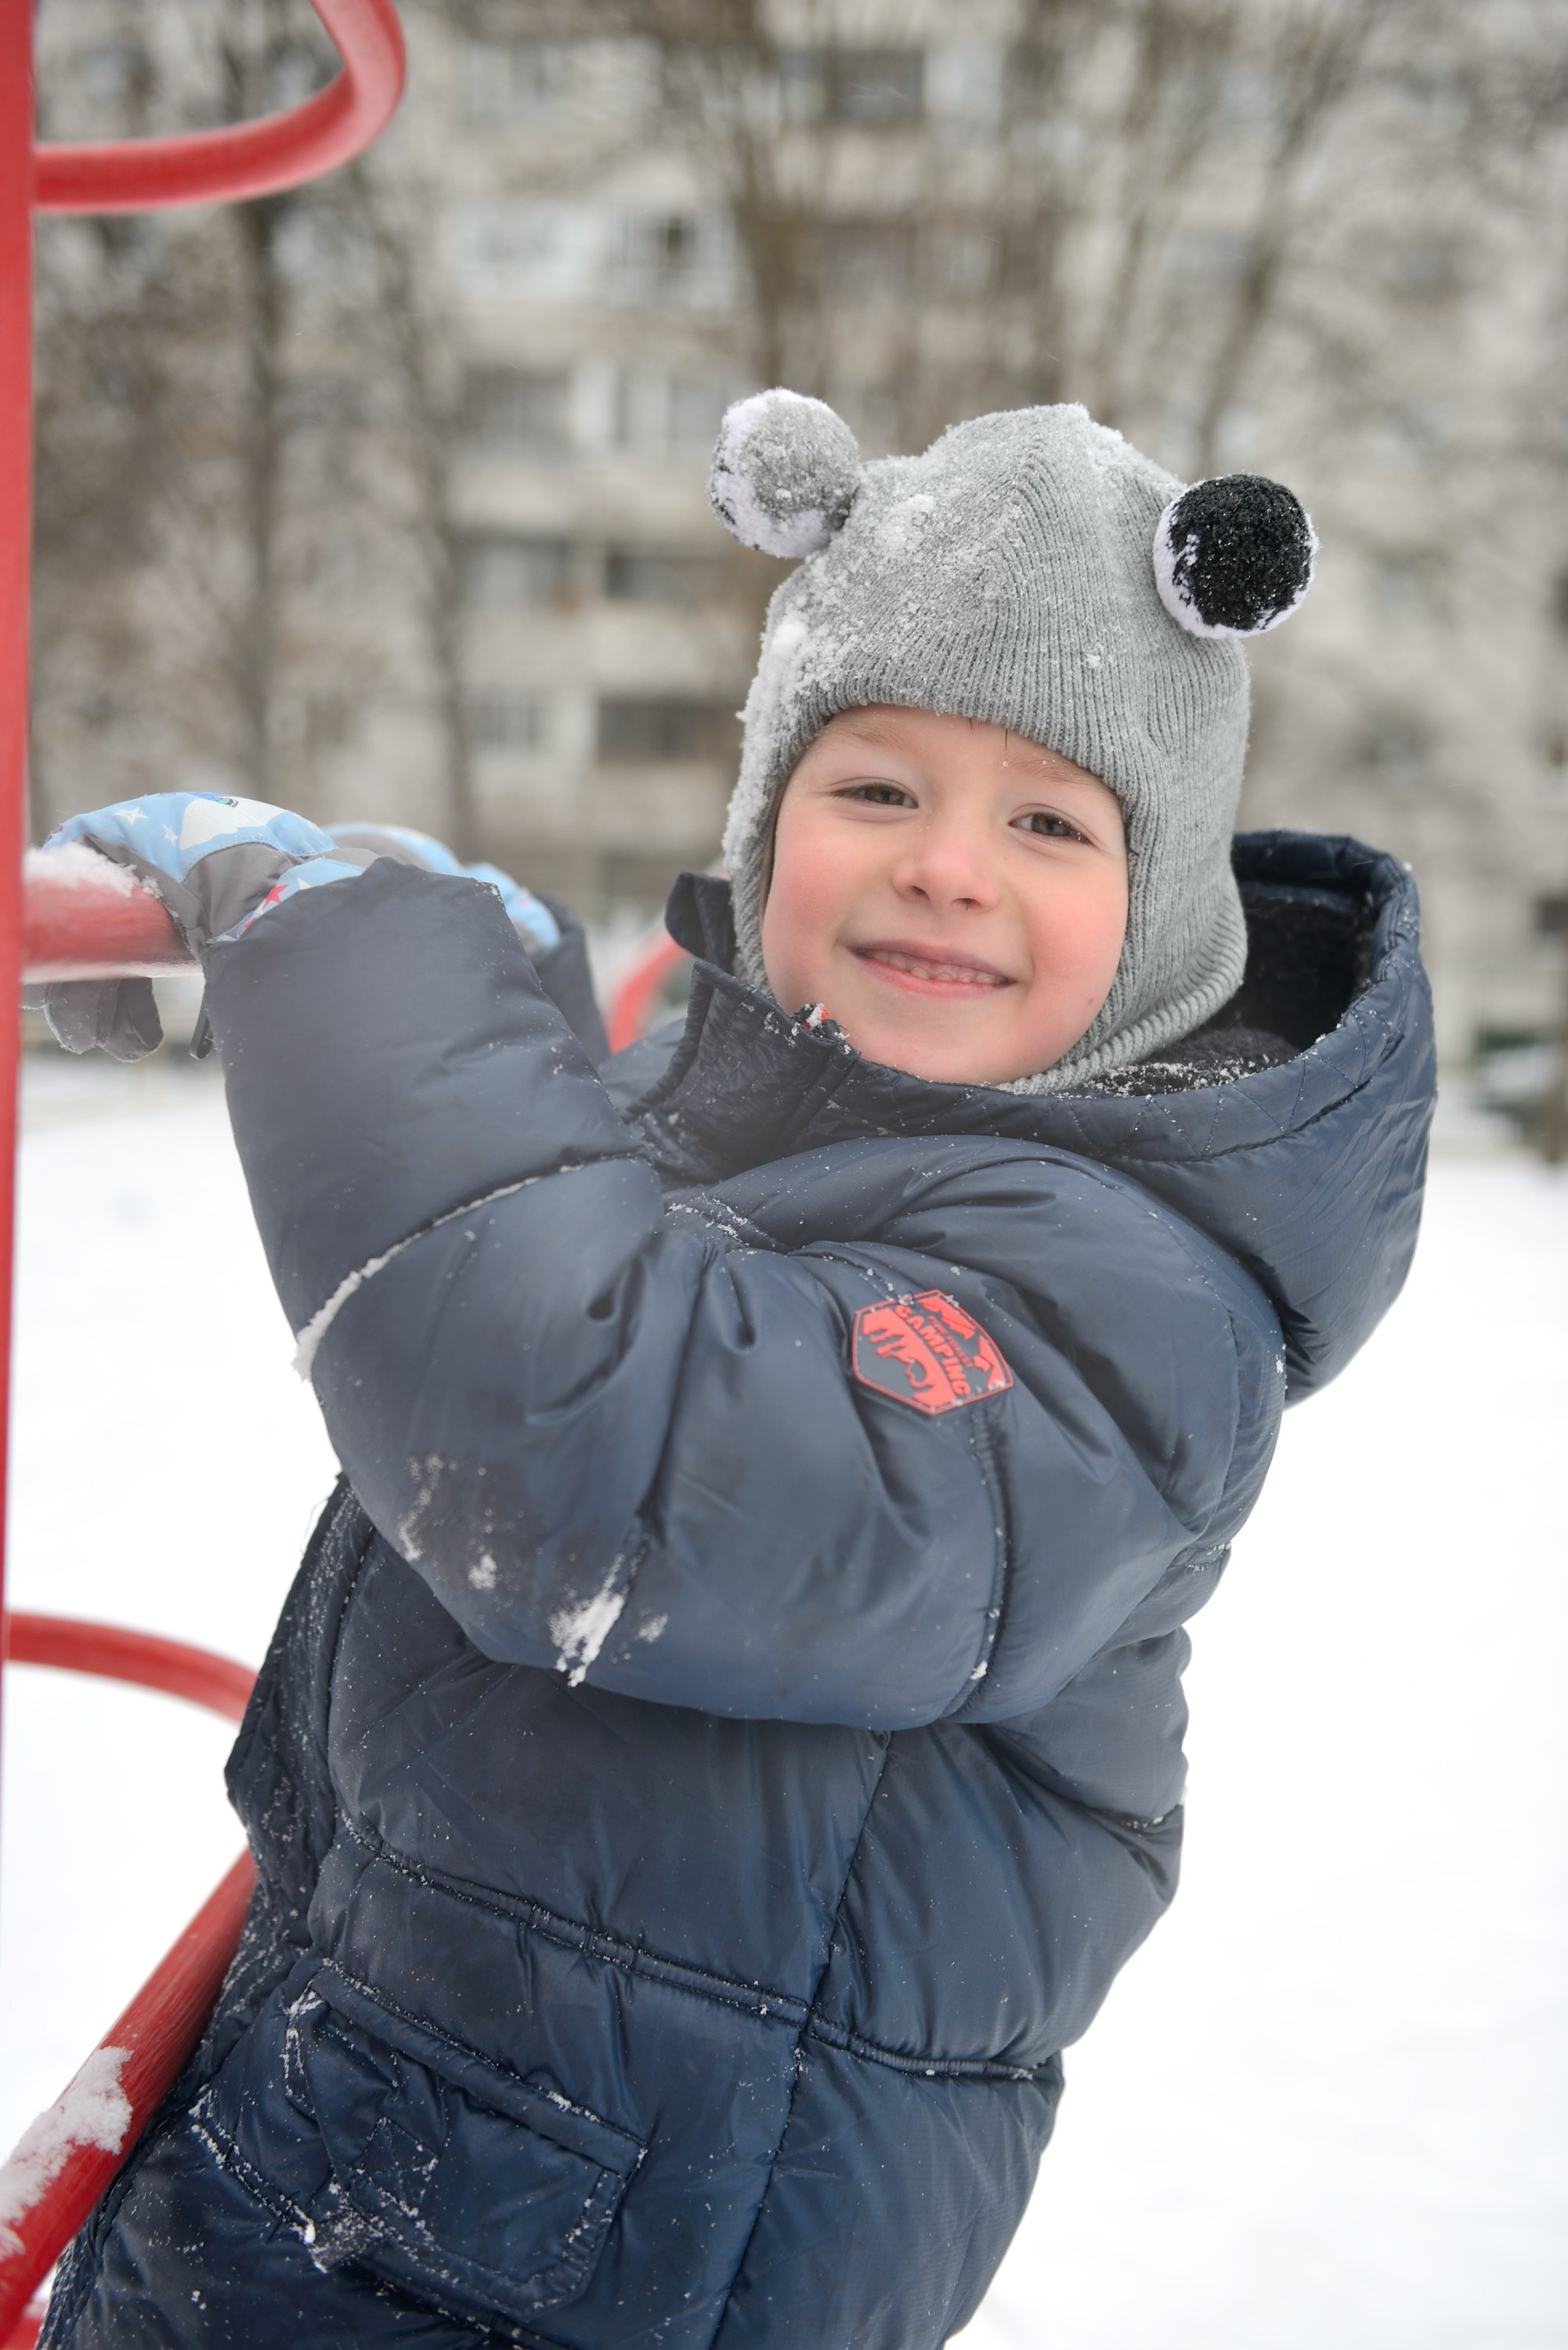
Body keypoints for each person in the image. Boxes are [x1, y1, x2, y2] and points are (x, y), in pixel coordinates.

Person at [34, 396, 1435, 2350]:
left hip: (597, 2274)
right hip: (395, 2161)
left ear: (1162, 920)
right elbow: (562, 1224)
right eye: (874, 788)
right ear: (765, 826)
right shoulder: (790, 1137)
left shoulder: (1129, 1290)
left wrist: (363, 963)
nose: (944, 867)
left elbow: (607, 1460)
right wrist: (467, 973)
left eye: (1046, 822)